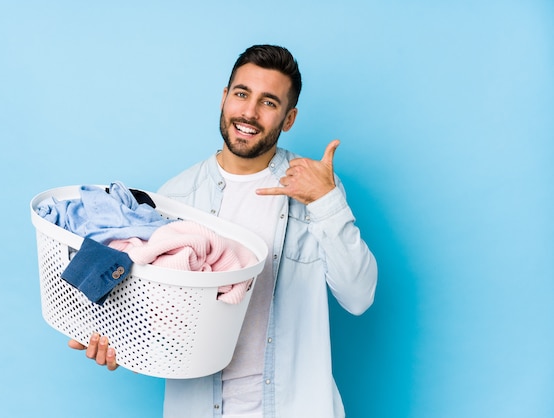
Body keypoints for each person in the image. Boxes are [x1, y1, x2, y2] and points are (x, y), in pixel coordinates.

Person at [69, 44, 377, 418]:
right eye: (242, 94)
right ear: (224, 98)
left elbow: (358, 297)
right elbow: (155, 319)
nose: (248, 112)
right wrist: (118, 341)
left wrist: (326, 201)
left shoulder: (316, 188)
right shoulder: (175, 198)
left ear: (289, 118)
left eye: (268, 102)